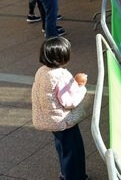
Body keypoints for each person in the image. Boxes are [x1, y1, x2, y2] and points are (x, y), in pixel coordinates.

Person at [31, 37, 87, 180]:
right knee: (73, 151)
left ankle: (65, 173)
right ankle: (74, 177)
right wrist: (80, 86)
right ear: (62, 57)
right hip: (63, 121)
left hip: (51, 120)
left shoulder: (41, 71)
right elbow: (69, 102)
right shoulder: (60, 75)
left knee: (62, 148)